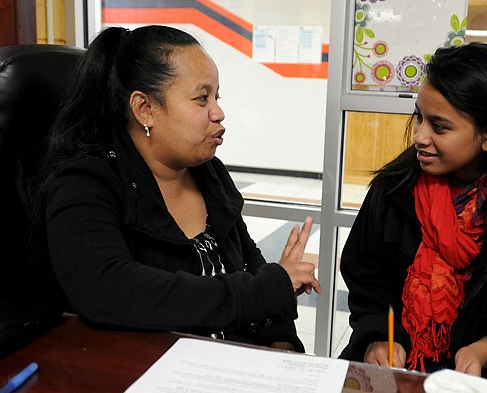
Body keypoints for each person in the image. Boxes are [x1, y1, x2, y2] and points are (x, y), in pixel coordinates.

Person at [33, 25, 321, 352]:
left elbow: (247, 261)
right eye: (202, 98)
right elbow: (106, 288)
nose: (218, 112)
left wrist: (279, 337)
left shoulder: (207, 172)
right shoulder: (86, 181)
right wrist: (265, 291)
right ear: (145, 109)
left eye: (217, 96)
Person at [338, 42, 487, 392]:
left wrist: (486, 349)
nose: (420, 136)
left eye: (439, 127)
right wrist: (379, 335)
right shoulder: (394, 190)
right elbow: (366, 277)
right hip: (397, 366)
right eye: (419, 117)